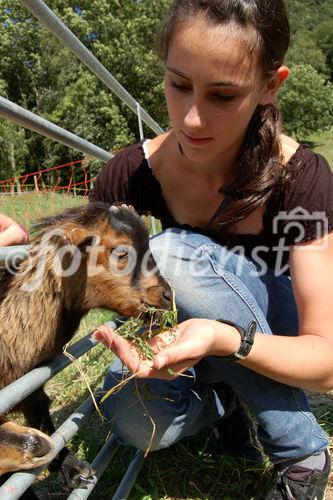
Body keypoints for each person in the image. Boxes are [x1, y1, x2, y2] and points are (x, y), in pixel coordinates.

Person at [90, 1, 333, 498]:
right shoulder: (127, 174)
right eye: (179, 85)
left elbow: (327, 365)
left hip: (273, 336)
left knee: (173, 255)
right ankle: (229, 402)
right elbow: (79, 270)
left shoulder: (303, 179)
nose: (192, 118)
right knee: (132, 418)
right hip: (189, 339)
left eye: (223, 95)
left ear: (271, 85)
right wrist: (24, 249)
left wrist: (227, 341)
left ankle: (301, 451)